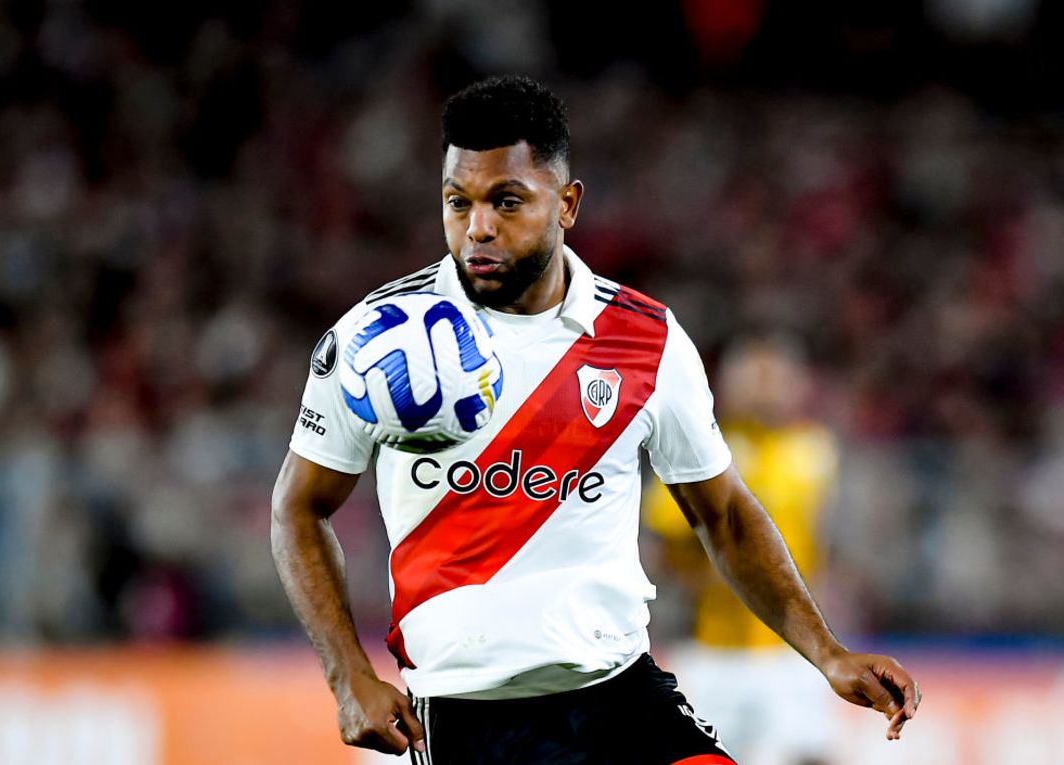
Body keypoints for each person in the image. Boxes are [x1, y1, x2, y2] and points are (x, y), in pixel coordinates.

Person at [271, 75, 920, 765]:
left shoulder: (646, 340)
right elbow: (297, 509)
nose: (479, 227)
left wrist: (827, 653)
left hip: (622, 696)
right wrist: (349, 678)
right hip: (468, 717)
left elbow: (724, 514)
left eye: (507, 201)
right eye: (457, 202)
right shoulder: (380, 340)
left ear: (568, 203)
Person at [644, 337, 840, 765]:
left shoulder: (813, 449)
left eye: (776, 379)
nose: (767, 390)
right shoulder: (701, 450)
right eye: (757, 379)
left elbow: (822, 539)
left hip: (792, 649)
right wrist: (713, 578)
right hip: (715, 647)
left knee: (812, 754)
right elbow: (667, 539)